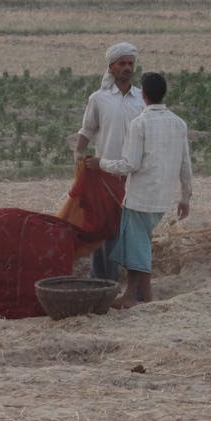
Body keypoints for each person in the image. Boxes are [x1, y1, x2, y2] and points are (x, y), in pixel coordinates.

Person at [85, 72, 192, 308]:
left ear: (143, 95)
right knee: (138, 243)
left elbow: (130, 164)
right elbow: (185, 163)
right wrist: (185, 197)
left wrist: (100, 163)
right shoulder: (179, 123)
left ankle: (145, 296)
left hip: (140, 197)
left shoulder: (139, 123)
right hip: (163, 197)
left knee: (138, 245)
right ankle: (133, 293)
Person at [73, 41, 145, 281]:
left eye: (130, 64)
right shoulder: (99, 99)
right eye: (122, 63)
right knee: (102, 226)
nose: (127, 68)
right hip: (104, 174)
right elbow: (87, 130)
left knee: (129, 227)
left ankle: (123, 278)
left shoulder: (141, 100)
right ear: (111, 67)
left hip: (134, 174)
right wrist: (78, 153)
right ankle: (101, 279)